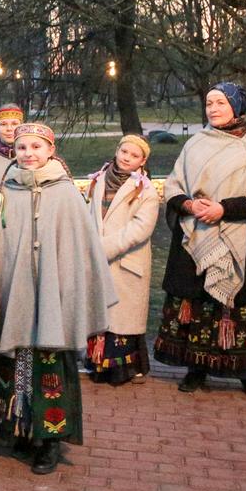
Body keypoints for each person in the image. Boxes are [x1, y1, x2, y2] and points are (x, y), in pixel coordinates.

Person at [0, 123, 116, 474]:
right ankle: (19, 431)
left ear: (50, 151)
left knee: (49, 370)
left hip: (53, 302)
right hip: (14, 297)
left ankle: (49, 442)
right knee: (12, 367)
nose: (28, 153)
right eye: (22, 147)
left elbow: (80, 249)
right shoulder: (5, 191)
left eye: (36, 147)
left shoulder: (66, 193)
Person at [154, 82, 246, 398]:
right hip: (194, 235)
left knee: (237, 308)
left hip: (239, 236)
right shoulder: (195, 143)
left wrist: (224, 208)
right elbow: (173, 185)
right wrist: (188, 204)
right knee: (196, 304)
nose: (213, 108)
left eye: (220, 103)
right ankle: (195, 368)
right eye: (209, 103)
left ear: (236, 107)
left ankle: (245, 372)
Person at [83, 134, 159, 385]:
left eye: (134, 155)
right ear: (117, 151)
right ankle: (96, 363)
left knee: (122, 319)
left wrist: (104, 247)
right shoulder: (97, 181)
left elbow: (140, 228)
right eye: (124, 152)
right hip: (96, 259)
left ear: (142, 161)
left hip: (126, 261)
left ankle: (122, 368)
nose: (127, 158)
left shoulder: (145, 190)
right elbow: (87, 214)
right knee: (99, 314)